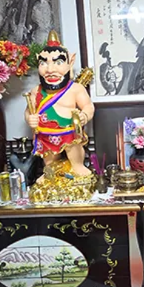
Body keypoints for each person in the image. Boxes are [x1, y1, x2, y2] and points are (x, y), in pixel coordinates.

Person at [24, 30, 94, 177]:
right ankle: (50, 172)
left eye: (58, 62)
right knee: (49, 159)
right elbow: (29, 110)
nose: (50, 70)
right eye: (43, 63)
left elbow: (88, 106)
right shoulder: (36, 91)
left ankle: (78, 166)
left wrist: (84, 115)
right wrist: (30, 118)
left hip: (69, 132)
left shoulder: (75, 89)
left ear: (70, 62)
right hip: (45, 134)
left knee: (73, 150)